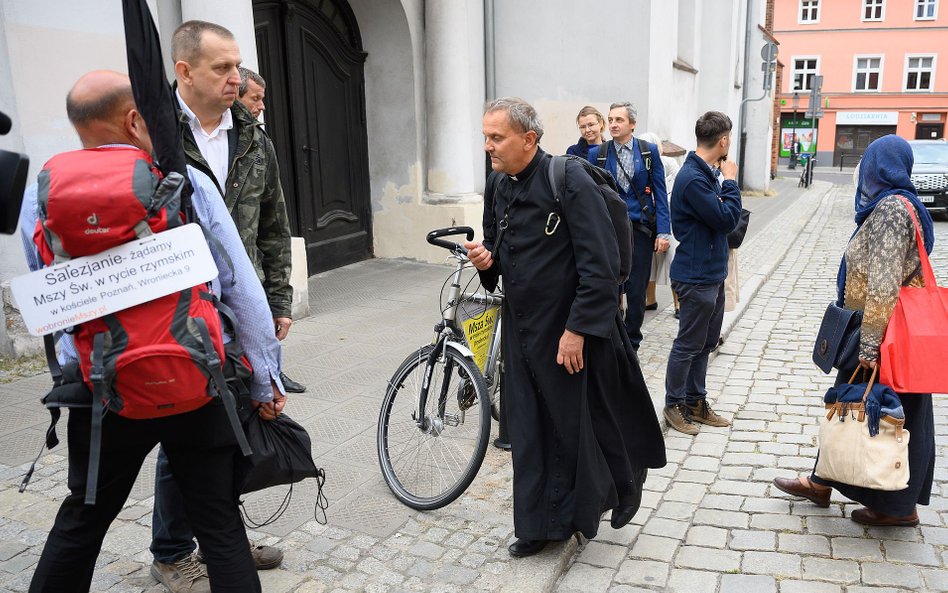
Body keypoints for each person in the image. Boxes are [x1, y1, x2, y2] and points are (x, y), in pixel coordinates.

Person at [21, 70, 285, 593]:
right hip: (197, 379)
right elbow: (240, 287)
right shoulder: (185, 180)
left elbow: (52, 294)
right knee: (219, 527)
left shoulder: (43, 194)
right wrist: (264, 379)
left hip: (106, 387)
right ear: (136, 119)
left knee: (83, 520)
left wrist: (83, 369)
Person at [465, 97, 666, 559]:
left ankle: (598, 500)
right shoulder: (497, 184)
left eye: (496, 138)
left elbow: (601, 264)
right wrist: (485, 260)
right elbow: (496, 253)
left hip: (566, 332)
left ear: (528, 139)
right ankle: (536, 526)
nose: (488, 146)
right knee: (530, 430)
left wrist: (577, 329)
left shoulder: (567, 178)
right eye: (485, 137)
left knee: (575, 427)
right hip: (520, 329)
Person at [147, 20, 295, 589]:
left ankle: (221, 536)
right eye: (222, 68)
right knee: (186, 431)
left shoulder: (252, 135)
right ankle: (171, 550)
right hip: (179, 312)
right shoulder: (155, 134)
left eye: (238, 67)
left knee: (238, 425)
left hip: (245, 308)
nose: (237, 78)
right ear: (184, 71)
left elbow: (274, 224)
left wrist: (278, 298)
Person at [773, 135, 936, 527]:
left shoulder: (892, 211)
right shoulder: (895, 206)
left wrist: (869, 343)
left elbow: (884, 283)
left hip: (882, 332)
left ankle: (897, 507)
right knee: (850, 405)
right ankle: (822, 480)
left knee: (892, 416)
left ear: (878, 168)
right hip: (883, 330)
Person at [663, 111, 742, 436]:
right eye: (729, 140)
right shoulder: (693, 178)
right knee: (688, 343)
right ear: (723, 141)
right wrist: (732, 182)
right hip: (695, 276)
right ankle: (673, 404)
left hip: (711, 272)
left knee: (706, 342)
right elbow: (726, 219)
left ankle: (696, 401)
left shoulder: (704, 173)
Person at [588, 103, 670, 350]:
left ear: (632, 124)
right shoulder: (597, 154)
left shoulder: (649, 152)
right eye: (611, 120)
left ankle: (632, 339)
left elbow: (660, 192)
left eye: (619, 120)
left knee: (636, 290)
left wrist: (664, 231)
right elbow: (590, 196)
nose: (613, 124)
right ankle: (614, 338)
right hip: (609, 230)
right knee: (611, 286)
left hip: (639, 229)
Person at [637, 132, 680, 315]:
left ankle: (679, 304)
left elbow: (676, 183)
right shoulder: (637, 164)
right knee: (649, 260)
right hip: (646, 218)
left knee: (672, 258)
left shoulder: (667, 162)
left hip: (667, 215)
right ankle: (651, 299)